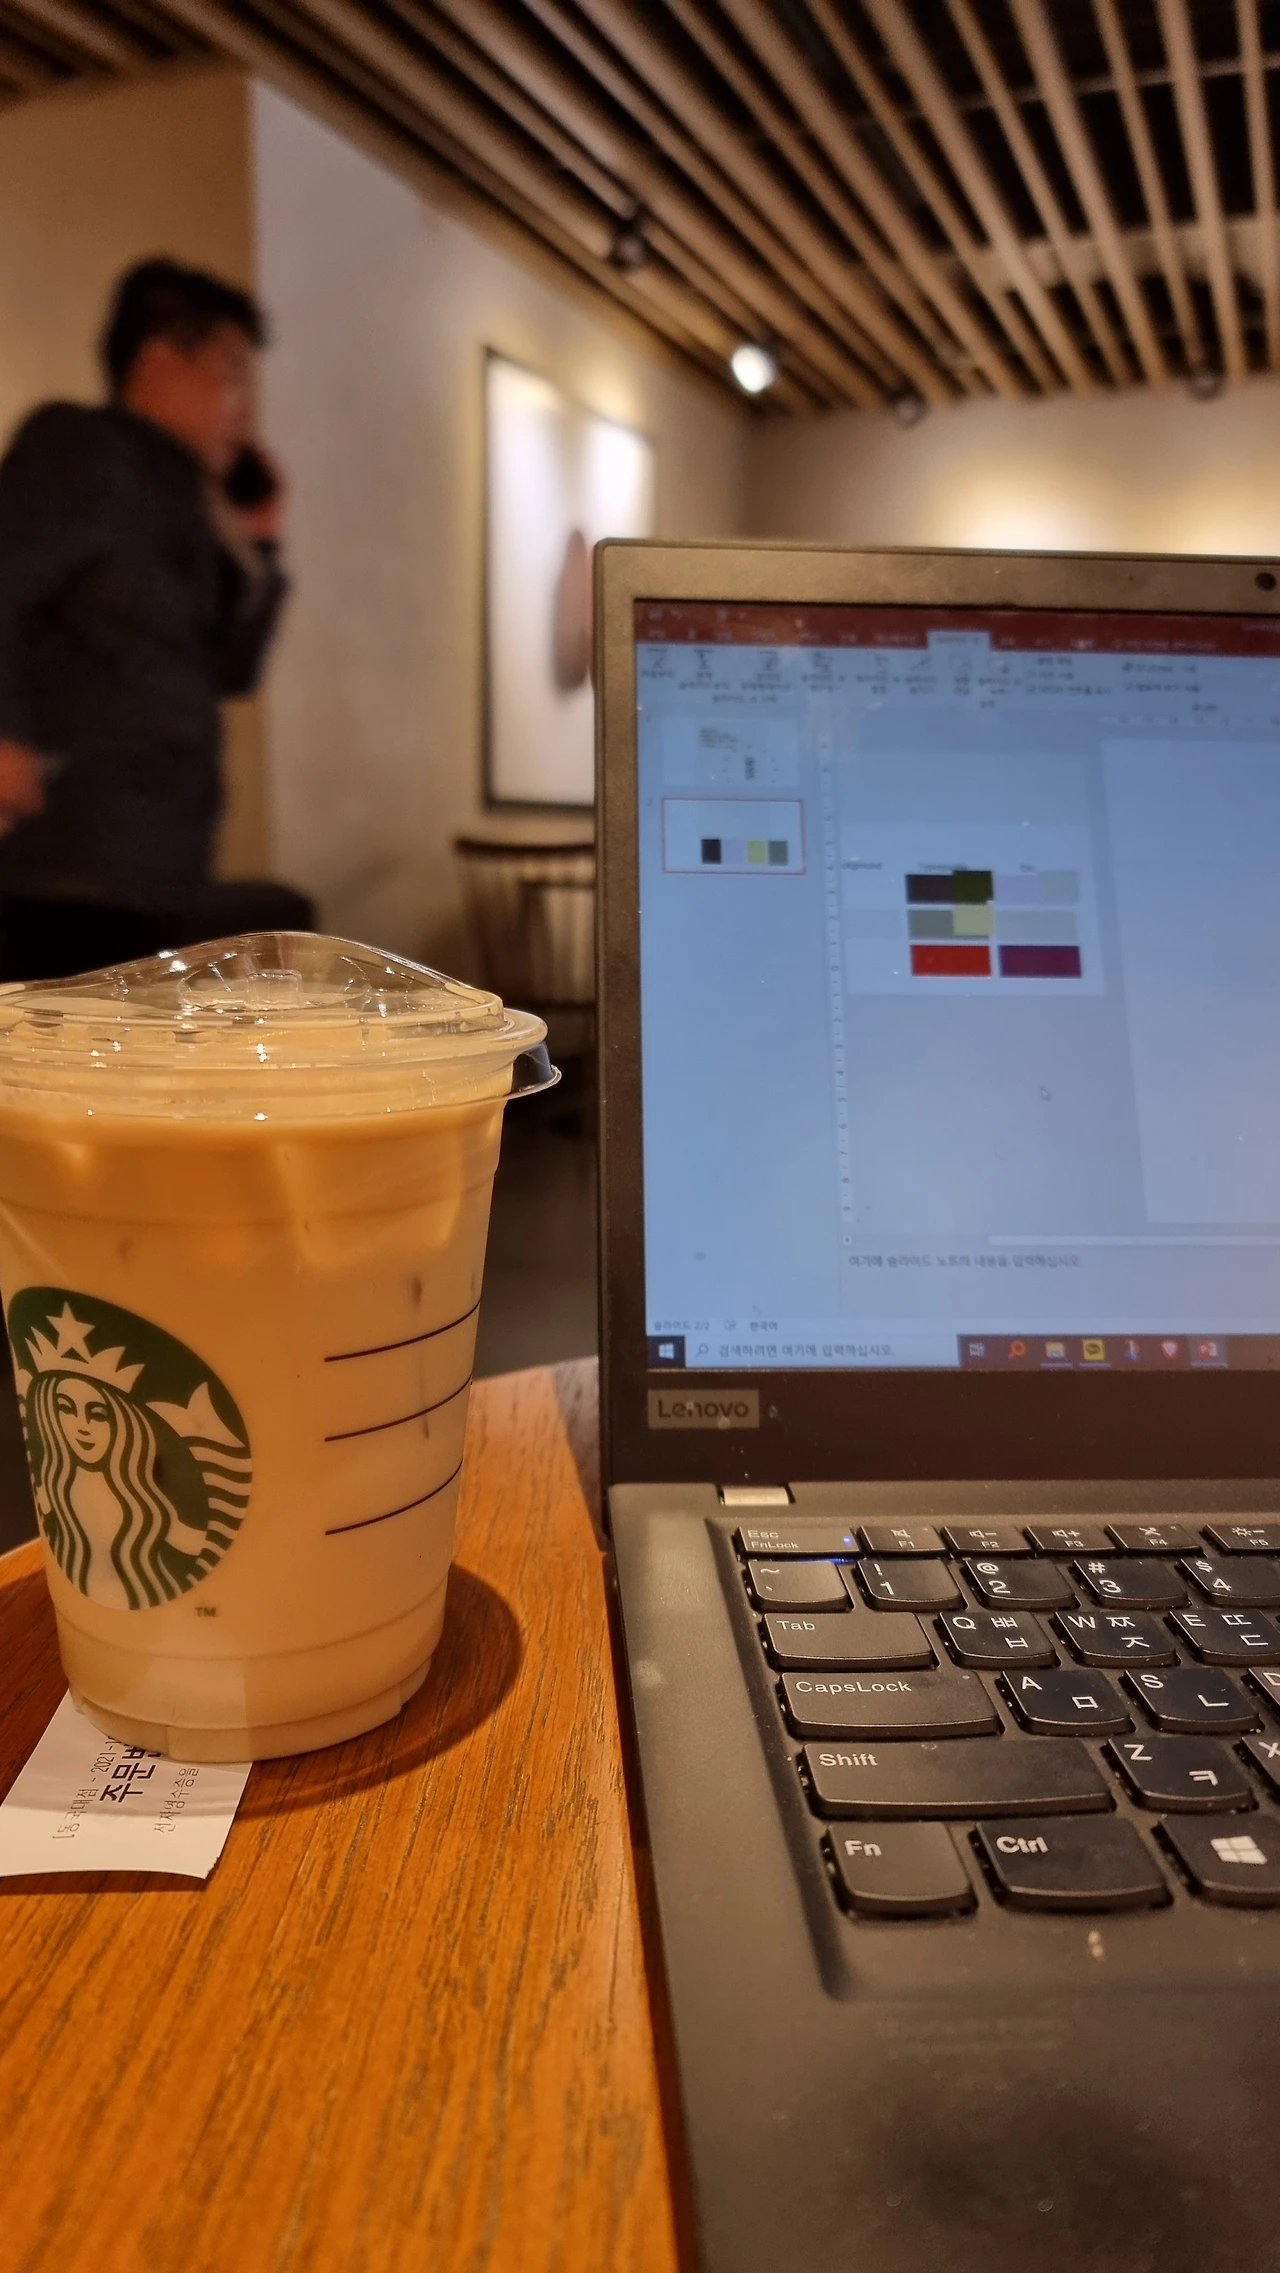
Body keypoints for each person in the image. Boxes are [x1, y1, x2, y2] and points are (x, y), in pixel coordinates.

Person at [0, 256, 313, 979]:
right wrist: (4, 736)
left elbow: (231, 670)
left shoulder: (190, 502)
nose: (243, 407)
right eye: (232, 374)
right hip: (67, 861)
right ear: (160, 359)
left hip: (159, 862)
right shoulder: (80, 447)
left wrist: (260, 543)